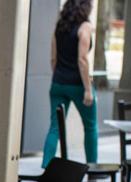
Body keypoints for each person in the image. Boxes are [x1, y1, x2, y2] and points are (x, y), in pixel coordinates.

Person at [41, 0, 98, 167]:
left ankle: (46, 166)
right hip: (78, 85)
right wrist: (88, 89)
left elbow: (53, 58)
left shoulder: (59, 26)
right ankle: (93, 168)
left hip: (58, 83)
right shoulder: (85, 27)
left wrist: (60, 76)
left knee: (55, 127)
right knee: (90, 126)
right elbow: (82, 59)